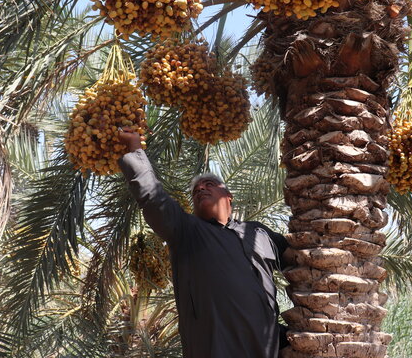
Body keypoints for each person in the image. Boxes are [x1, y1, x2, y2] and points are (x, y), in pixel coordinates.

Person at [117, 128, 289, 358]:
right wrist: (135, 148)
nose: (200, 189)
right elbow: (153, 199)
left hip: (269, 349)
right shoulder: (187, 231)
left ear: (228, 196)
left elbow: (302, 262)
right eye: (196, 190)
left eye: (209, 184)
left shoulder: (258, 233)